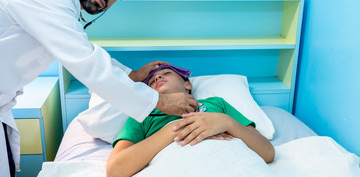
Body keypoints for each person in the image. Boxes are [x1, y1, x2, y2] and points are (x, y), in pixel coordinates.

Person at [0, 0, 198, 177]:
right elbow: (86, 61)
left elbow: (86, 52)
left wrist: (132, 75)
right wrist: (159, 101)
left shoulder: (62, 2)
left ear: (188, 85)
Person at [107, 64, 275, 177]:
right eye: (151, 81)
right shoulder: (143, 115)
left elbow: (267, 152)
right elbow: (115, 170)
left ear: (187, 84)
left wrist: (225, 122)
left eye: (166, 73)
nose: (157, 78)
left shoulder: (217, 104)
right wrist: (175, 130)